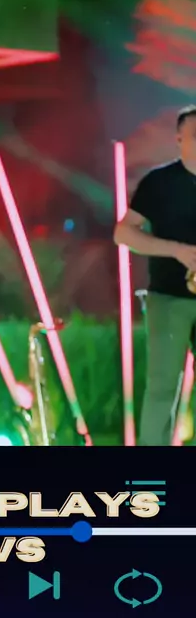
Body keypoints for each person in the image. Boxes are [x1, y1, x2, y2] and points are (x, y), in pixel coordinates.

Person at [114, 105, 196, 445]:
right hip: (167, 298)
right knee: (162, 387)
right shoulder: (158, 182)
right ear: (178, 139)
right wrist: (176, 250)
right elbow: (123, 233)